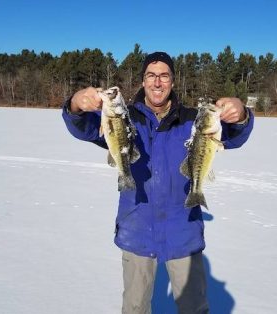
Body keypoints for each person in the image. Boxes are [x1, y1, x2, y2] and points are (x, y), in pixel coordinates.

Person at [62, 52, 254, 314]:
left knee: (194, 308)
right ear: (142, 81)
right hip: (136, 228)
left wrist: (240, 113)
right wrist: (75, 103)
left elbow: (233, 136)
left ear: (173, 82)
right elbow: (83, 128)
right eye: (151, 76)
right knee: (135, 307)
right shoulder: (123, 118)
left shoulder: (192, 120)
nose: (157, 82)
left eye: (164, 76)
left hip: (183, 230)